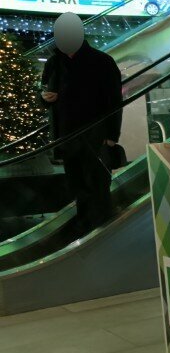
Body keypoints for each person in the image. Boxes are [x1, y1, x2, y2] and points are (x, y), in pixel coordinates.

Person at [40, 13, 122, 231]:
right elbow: (45, 91)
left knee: (98, 185)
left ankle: (102, 230)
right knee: (76, 186)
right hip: (66, 136)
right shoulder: (54, 63)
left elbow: (114, 101)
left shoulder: (102, 61)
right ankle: (85, 228)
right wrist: (45, 98)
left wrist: (112, 136)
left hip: (95, 134)